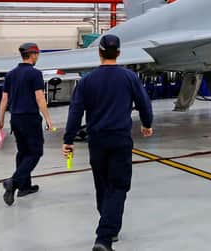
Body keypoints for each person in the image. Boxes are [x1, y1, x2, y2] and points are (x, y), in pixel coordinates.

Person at [62, 34, 153, 251]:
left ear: (99, 52)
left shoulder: (87, 81)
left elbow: (75, 112)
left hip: (97, 140)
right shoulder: (129, 77)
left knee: (102, 184)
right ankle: (104, 237)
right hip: (120, 139)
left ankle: (108, 226)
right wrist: (147, 124)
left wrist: (68, 140)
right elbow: (144, 103)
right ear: (119, 53)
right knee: (119, 185)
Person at [0, 42, 54, 206]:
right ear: (33, 55)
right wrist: (49, 120)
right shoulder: (35, 74)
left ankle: (25, 187)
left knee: (22, 152)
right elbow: (40, 98)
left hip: (15, 118)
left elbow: (4, 99)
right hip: (30, 118)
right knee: (35, 152)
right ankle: (14, 182)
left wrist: (0, 119)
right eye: (37, 54)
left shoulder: (11, 74)